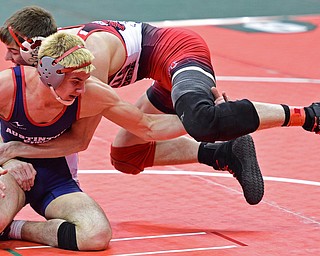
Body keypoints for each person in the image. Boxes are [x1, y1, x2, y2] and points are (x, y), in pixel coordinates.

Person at [0, 6, 265, 206]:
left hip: (171, 50)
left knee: (72, 117)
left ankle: (302, 115)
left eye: (12, 50)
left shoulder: (82, 62)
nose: (8, 57)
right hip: (154, 66)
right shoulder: (54, 61)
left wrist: (16, 151)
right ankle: (222, 153)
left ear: (32, 47)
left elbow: (78, 137)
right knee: (127, 156)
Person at [0, 32, 197, 250]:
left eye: (84, 81)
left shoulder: (92, 93)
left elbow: (148, 126)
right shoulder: (8, 86)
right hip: (11, 173)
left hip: (54, 177)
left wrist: (206, 119)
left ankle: (13, 228)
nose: (81, 89)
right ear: (49, 73)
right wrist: (7, 161)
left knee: (95, 234)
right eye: (76, 81)